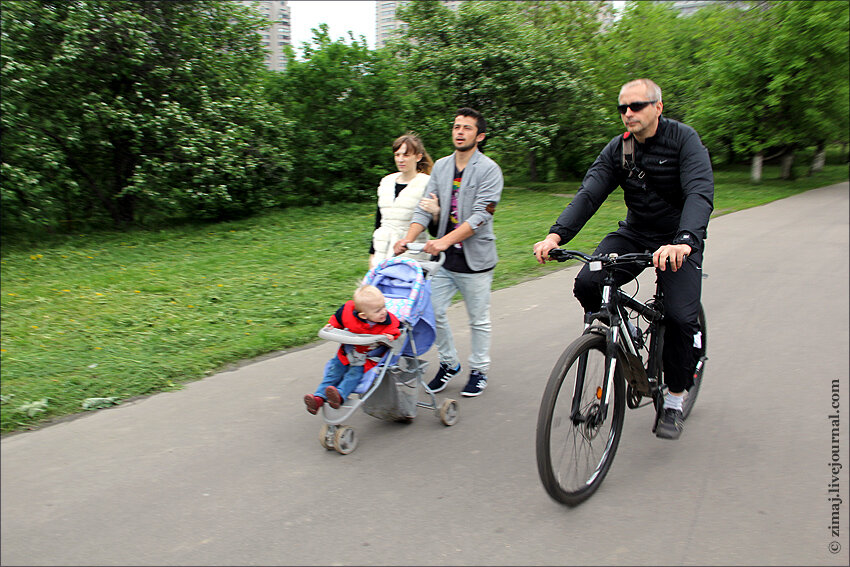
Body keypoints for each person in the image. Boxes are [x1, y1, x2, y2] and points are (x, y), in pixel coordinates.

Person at [532, 78, 714, 440]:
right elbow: (590, 193)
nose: (628, 113)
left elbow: (699, 192)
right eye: (622, 108)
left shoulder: (684, 140)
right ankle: (621, 332)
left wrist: (685, 240)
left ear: (657, 107)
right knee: (588, 281)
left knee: (679, 317)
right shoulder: (619, 149)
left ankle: (676, 397)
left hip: (678, 239)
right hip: (635, 233)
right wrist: (556, 235)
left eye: (636, 106)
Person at [394, 107, 503, 397]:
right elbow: (424, 207)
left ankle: (478, 370)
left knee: (478, 319)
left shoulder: (489, 170)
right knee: (432, 312)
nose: (459, 132)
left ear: (479, 136)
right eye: (456, 126)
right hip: (443, 261)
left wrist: (444, 240)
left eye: (467, 128)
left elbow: (481, 217)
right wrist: (407, 238)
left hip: (475, 260)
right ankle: (449, 363)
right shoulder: (441, 167)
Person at [304, 285, 401, 414]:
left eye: (384, 306)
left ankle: (339, 395)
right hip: (347, 352)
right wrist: (331, 325)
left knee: (353, 375)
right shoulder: (347, 312)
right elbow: (337, 318)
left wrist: (391, 336)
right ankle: (318, 398)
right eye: (378, 310)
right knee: (333, 373)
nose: (384, 312)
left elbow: (397, 330)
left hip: (366, 357)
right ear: (363, 315)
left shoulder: (388, 321)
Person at [369, 133, 434, 270]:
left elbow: (433, 226)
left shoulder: (426, 183)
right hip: (382, 251)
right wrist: (373, 255)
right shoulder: (386, 182)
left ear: (418, 157)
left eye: (406, 155)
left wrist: (436, 212)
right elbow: (379, 222)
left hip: (411, 254)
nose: (400, 159)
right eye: (397, 155)